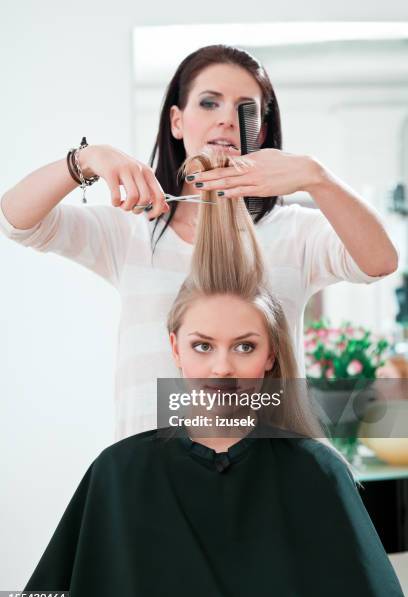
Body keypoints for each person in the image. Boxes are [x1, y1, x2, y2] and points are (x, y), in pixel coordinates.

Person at [12, 149, 407, 597]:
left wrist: (315, 176)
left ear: (270, 356)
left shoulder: (317, 474)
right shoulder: (119, 473)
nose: (222, 368)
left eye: (244, 346)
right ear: (176, 349)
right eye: (203, 346)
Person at [0, 44, 398, 441]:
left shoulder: (297, 232)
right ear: (177, 121)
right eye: (209, 103)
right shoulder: (131, 231)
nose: (226, 119)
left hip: (266, 473)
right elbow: (16, 220)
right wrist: (85, 159)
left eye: (244, 108)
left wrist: (317, 176)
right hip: (153, 472)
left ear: (258, 130)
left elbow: (380, 260)